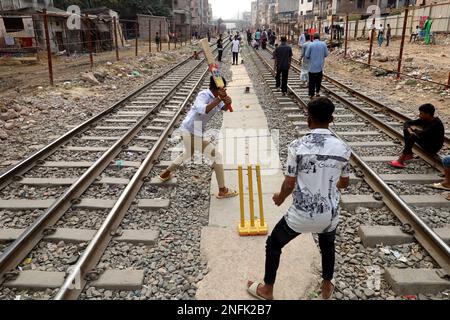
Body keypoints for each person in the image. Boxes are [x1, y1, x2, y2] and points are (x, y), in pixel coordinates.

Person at [246, 97, 351, 300]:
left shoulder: (298, 146)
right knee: (327, 245)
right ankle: (327, 285)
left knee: (274, 244)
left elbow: (289, 184)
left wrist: (280, 198)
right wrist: (329, 185)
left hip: (302, 215)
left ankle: (267, 289)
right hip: (330, 214)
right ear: (332, 118)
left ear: (308, 119)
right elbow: (344, 184)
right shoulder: (343, 148)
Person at [156, 76, 238, 199]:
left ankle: (165, 174)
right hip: (190, 131)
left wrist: (228, 102)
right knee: (217, 157)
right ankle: (222, 190)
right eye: (222, 89)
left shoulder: (217, 97)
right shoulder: (203, 95)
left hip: (193, 131)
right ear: (216, 89)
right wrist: (219, 99)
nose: (224, 91)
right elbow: (202, 110)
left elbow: (224, 108)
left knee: (188, 153)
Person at [390, 103, 445, 168]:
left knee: (413, 135)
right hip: (427, 141)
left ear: (427, 114)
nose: (419, 115)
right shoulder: (426, 119)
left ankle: (400, 160)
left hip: (433, 147)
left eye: (421, 113)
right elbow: (407, 122)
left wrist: (414, 132)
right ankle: (409, 153)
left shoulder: (436, 123)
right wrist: (410, 130)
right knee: (407, 131)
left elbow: (423, 133)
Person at [305, 33, 328, 99]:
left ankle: (311, 94)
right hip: (320, 67)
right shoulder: (323, 44)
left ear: (313, 38)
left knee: (311, 81)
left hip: (311, 67)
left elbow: (306, 55)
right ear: (319, 37)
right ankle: (317, 92)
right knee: (318, 80)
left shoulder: (310, 45)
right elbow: (326, 54)